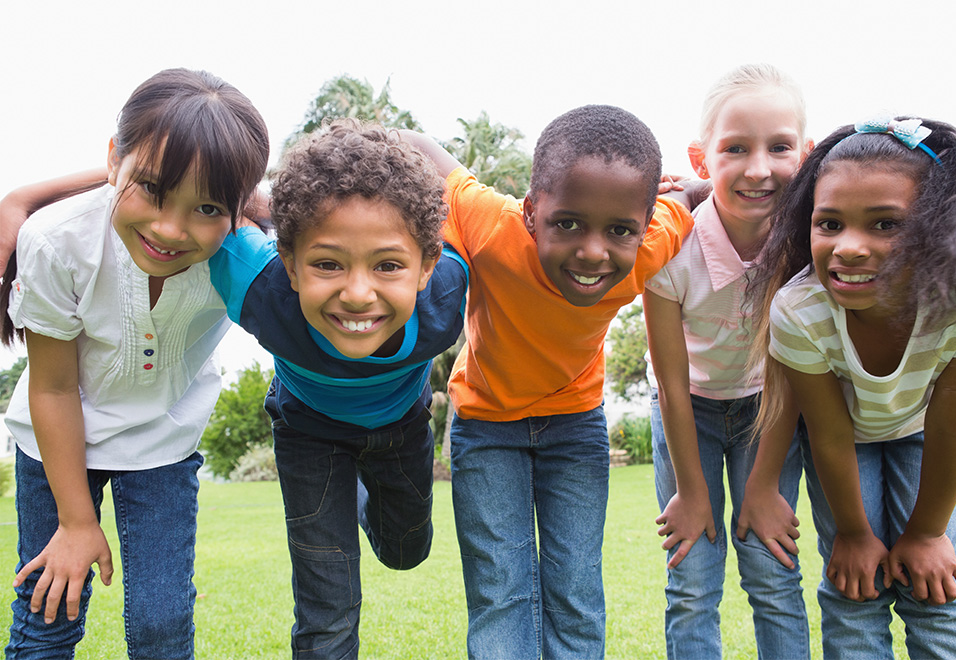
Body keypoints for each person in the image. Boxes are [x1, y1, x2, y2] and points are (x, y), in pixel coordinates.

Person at [404, 105, 695, 659]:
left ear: (641, 226)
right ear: (532, 212)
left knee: (577, 592)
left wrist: (700, 184)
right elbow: (421, 146)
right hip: (487, 427)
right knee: (498, 591)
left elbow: (688, 200)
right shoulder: (491, 226)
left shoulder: (652, 245)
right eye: (568, 223)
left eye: (619, 230)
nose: (593, 251)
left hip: (575, 429)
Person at [1, 68, 269, 658]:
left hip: (161, 440)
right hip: (55, 433)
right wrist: (75, 523)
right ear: (112, 161)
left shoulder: (248, 256)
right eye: (150, 189)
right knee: (49, 612)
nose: (170, 229)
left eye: (204, 207)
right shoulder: (56, 241)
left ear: (237, 208)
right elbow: (52, 388)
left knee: (159, 624)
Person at [207, 119, 468, 659]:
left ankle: (357, 496)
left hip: (400, 429)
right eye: (327, 264)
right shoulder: (260, 289)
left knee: (406, 551)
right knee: (327, 605)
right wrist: (23, 198)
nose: (357, 294)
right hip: (309, 433)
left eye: (388, 265)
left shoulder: (445, 298)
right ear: (290, 265)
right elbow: (176, 188)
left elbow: (502, 222)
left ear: (426, 268)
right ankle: (334, 499)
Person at [748, 115, 956, 658]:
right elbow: (829, 436)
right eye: (829, 224)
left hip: (928, 434)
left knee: (937, 587)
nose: (848, 248)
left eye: (886, 224)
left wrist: (927, 534)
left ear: (942, 227)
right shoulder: (800, 310)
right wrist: (854, 535)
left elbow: (954, 427)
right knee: (854, 586)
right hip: (847, 441)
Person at [643, 64, 813, 659]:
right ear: (701, 159)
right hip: (687, 407)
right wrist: (692, 492)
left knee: (772, 570)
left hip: (769, 407)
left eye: (780, 147)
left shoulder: (809, 246)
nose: (759, 168)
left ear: (807, 153)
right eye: (736, 148)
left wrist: (764, 486)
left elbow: (794, 372)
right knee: (691, 579)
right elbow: (667, 382)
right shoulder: (671, 244)